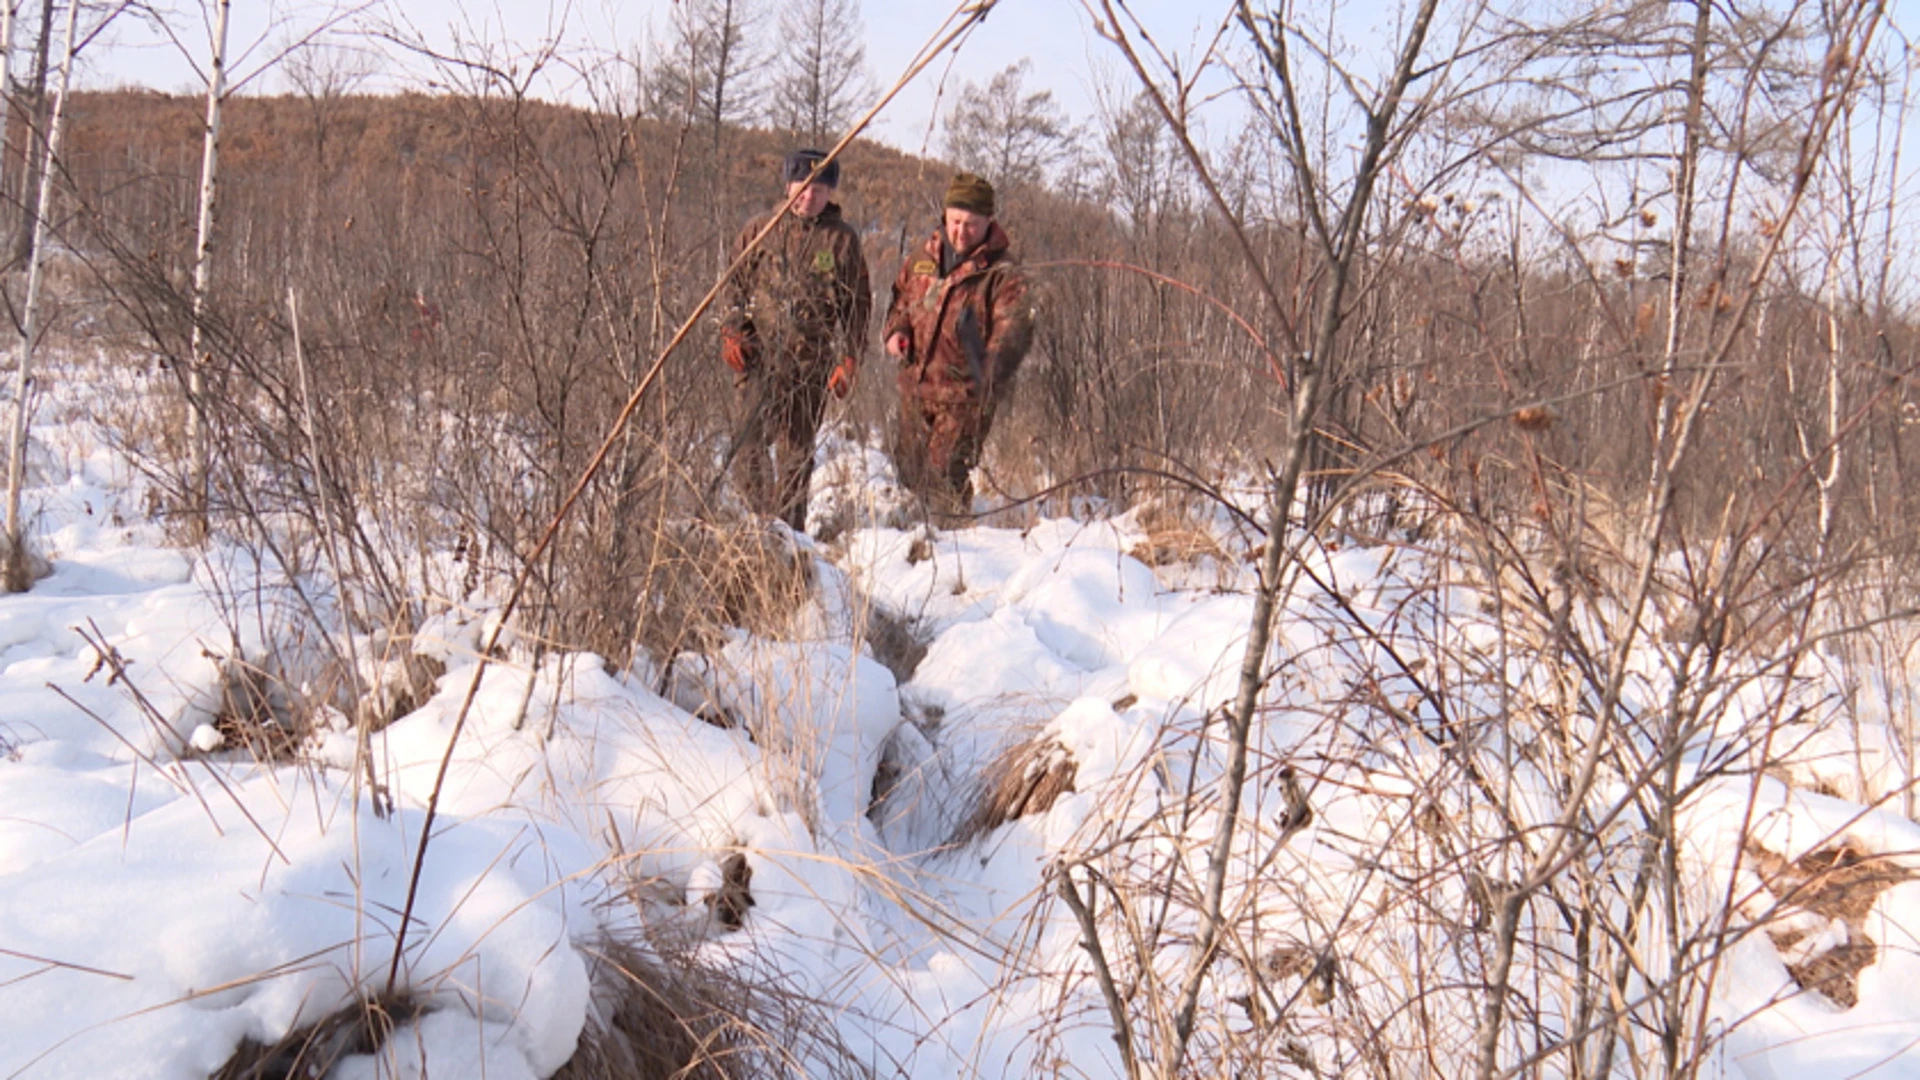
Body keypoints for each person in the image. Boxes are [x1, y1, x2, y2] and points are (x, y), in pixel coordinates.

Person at [720, 148, 872, 532]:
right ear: (789, 186)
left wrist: (849, 360)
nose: (809, 197)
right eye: (802, 188)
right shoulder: (760, 231)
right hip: (758, 361)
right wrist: (733, 331)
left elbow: (858, 307)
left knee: (795, 457)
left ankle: (788, 537)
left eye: (819, 190)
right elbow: (731, 287)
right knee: (748, 442)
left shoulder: (842, 242)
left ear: (830, 193)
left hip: (810, 366)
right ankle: (757, 527)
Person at [882, 173, 1035, 524]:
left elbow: (1014, 333)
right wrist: (896, 332)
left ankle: (951, 550)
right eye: (954, 221)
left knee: (944, 477)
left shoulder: (1003, 274)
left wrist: (987, 369)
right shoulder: (924, 255)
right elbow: (900, 302)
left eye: (971, 224)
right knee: (909, 472)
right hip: (915, 389)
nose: (960, 232)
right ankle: (917, 545)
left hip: (964, 398)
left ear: (988, 223)